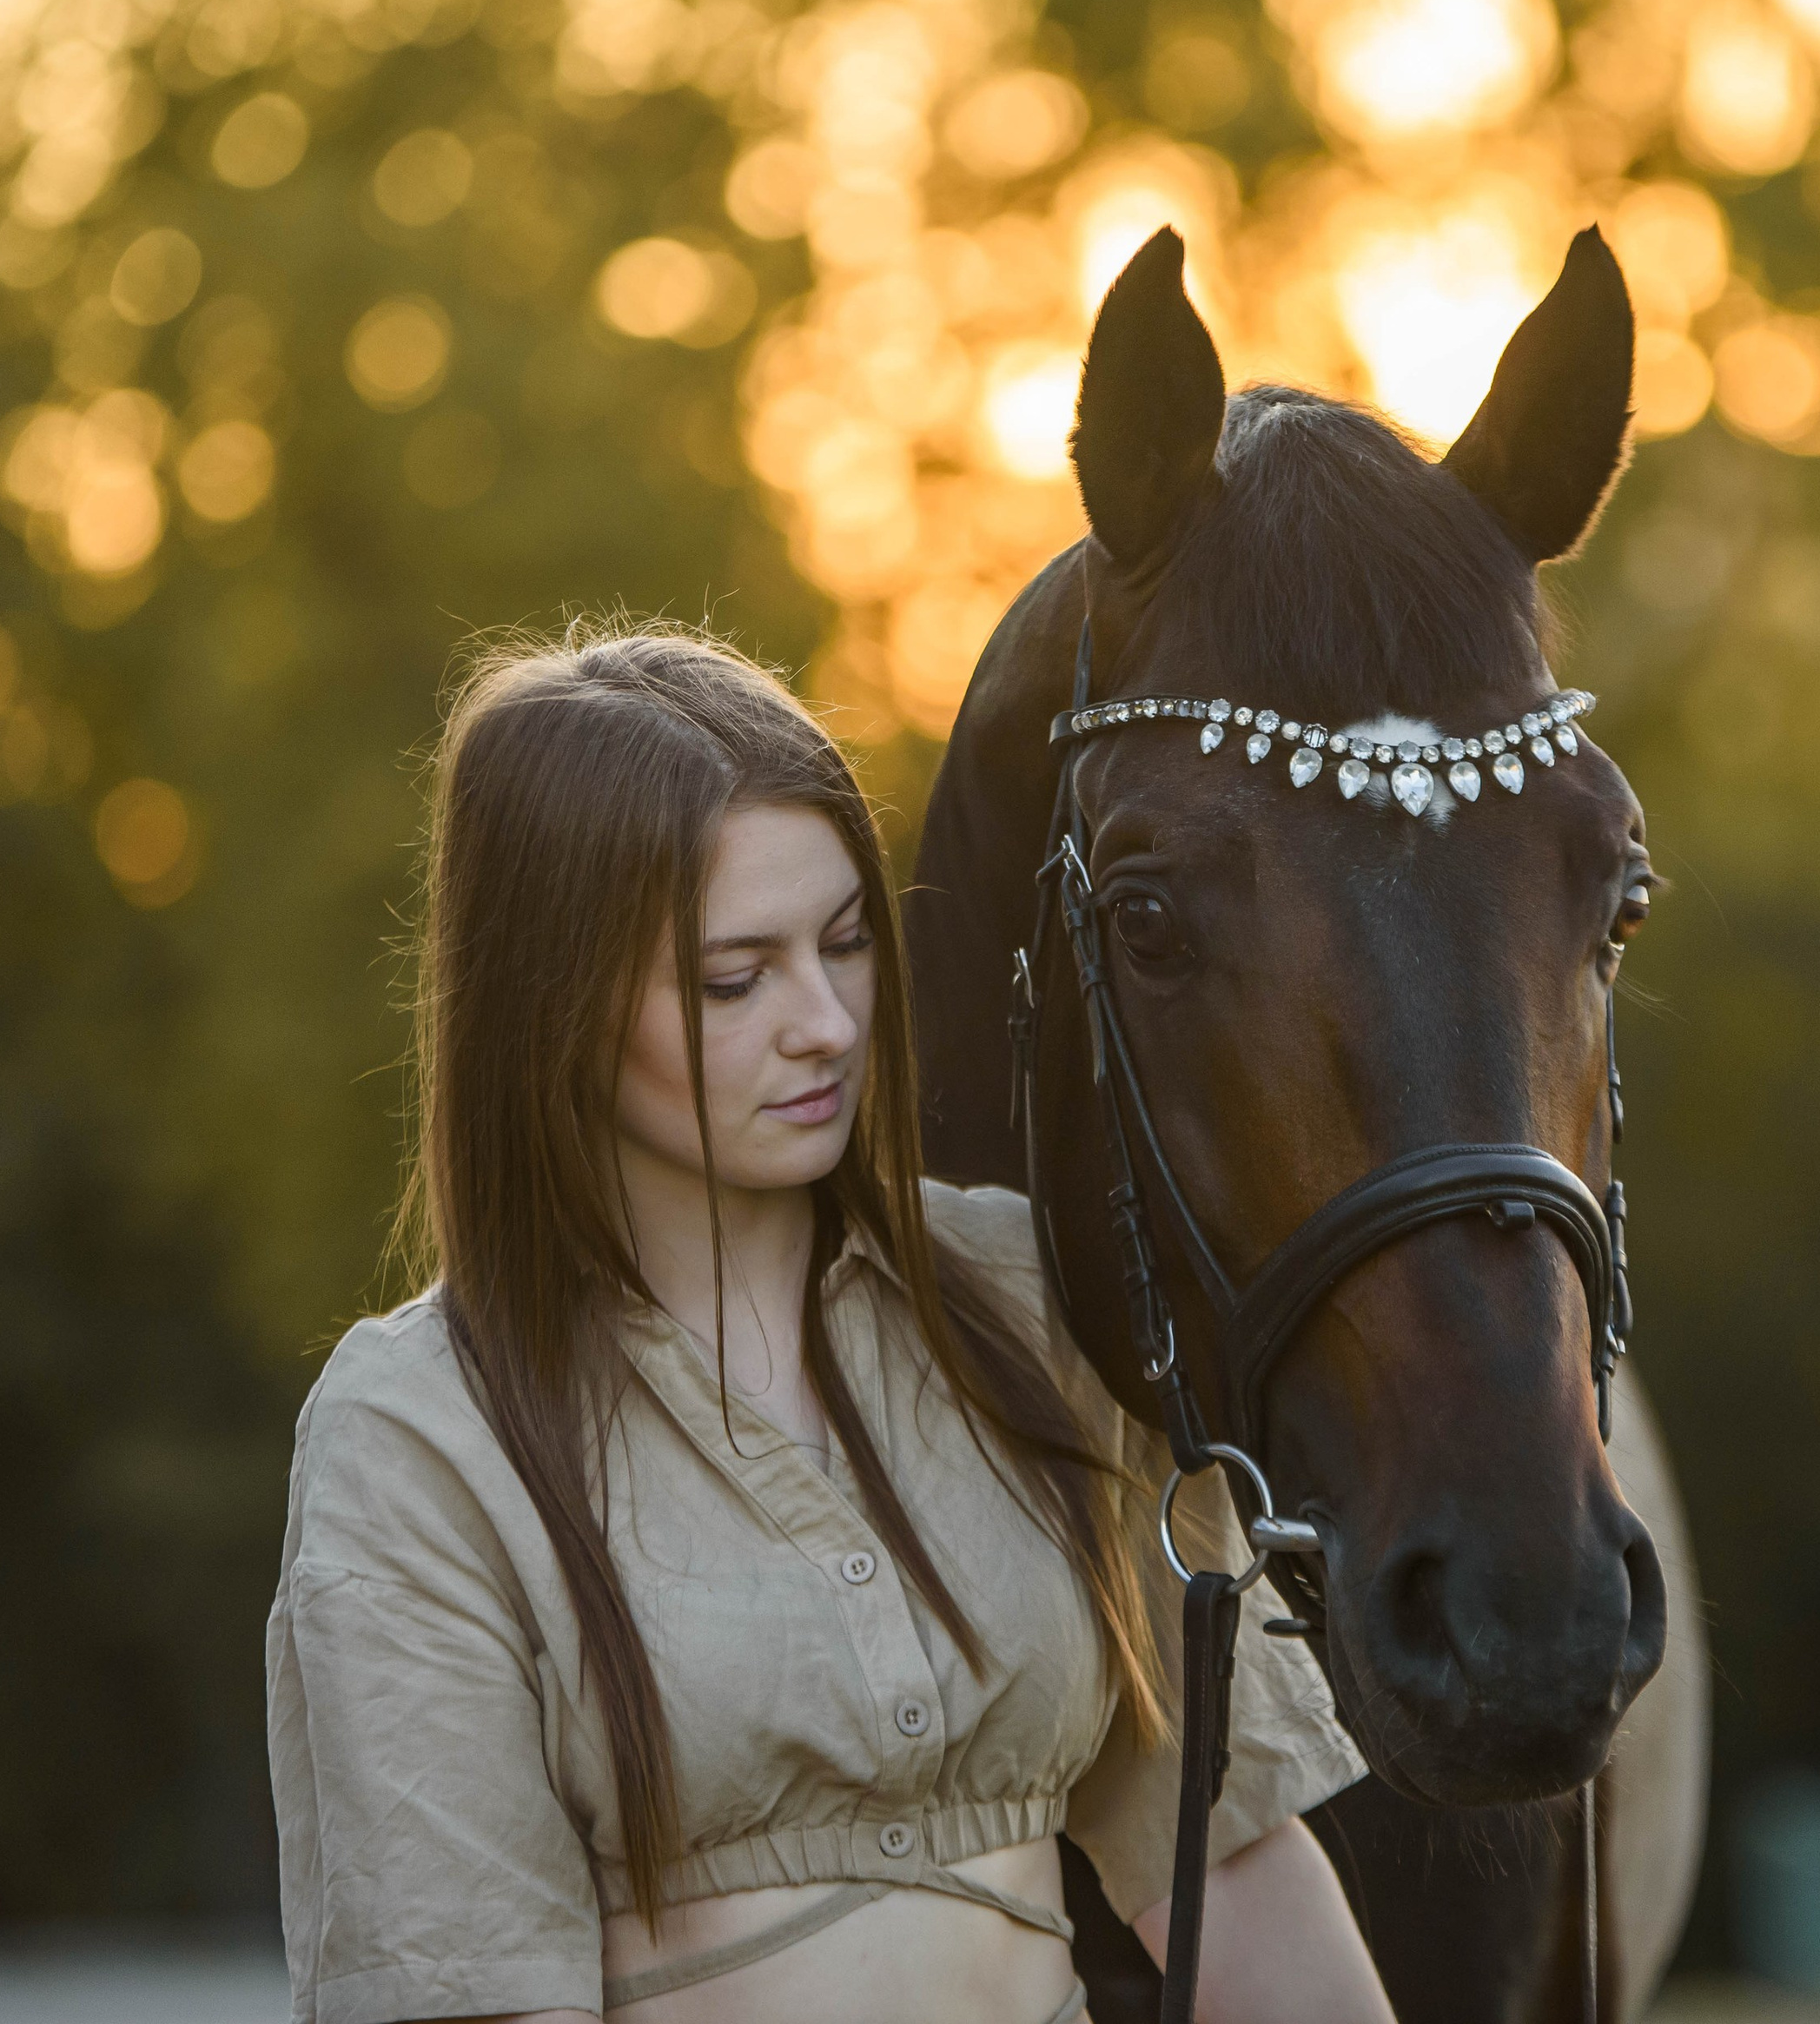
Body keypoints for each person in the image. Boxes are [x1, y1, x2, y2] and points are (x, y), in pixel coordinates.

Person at [266, 625, 1390, 2024]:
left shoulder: (1033, 1307)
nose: (826, 1024)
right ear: (552, 1003)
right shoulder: (423, 1436)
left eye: (847, 944)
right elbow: (467, 1987)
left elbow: (1226, 1862)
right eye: (735, 979)